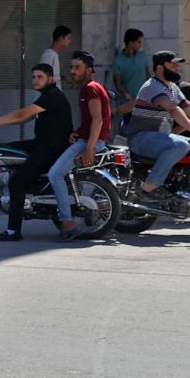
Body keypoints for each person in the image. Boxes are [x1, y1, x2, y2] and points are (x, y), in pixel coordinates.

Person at [0, 63, 73, 241]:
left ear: (50, 79)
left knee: (16, 182)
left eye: (40, 77)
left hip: (51, 148)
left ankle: (13, 231)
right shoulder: (48, 96)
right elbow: (26, 117)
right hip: (43, 143)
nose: (35, 80)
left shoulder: (52, 96)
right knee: (7, 149)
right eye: (34, 77)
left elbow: (21, 114)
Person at [127, 49, 190, 202]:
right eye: (173, 65)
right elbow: (173, 109)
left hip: (159, 137)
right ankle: (150, 186)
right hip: (140, 138)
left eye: (178, 65)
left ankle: (180, 185)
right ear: (160, 68)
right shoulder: (153, 86)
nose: (177, 68)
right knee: (179, 145)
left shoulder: (172, 87)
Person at [44, 50, 112, 240]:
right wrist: (78, 132)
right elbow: (91, 121)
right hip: (87, 139)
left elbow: (98, 120)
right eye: (72, 67)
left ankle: (67, 222)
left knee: (55, 174)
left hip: (91, 142)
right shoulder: (92, 87)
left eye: (77, 67)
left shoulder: (90, 88)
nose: (72, 71)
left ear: (89, 70)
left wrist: (88, 148)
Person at [110, 29, 150, 132]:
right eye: (139, 42)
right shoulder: (118, 61)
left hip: (145, 103)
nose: (141, 45)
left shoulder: (143, 56)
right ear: (130, 42)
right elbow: (117, 83)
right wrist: (125, 94)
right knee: (127, 133)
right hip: (128, 105)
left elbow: (148, 76)